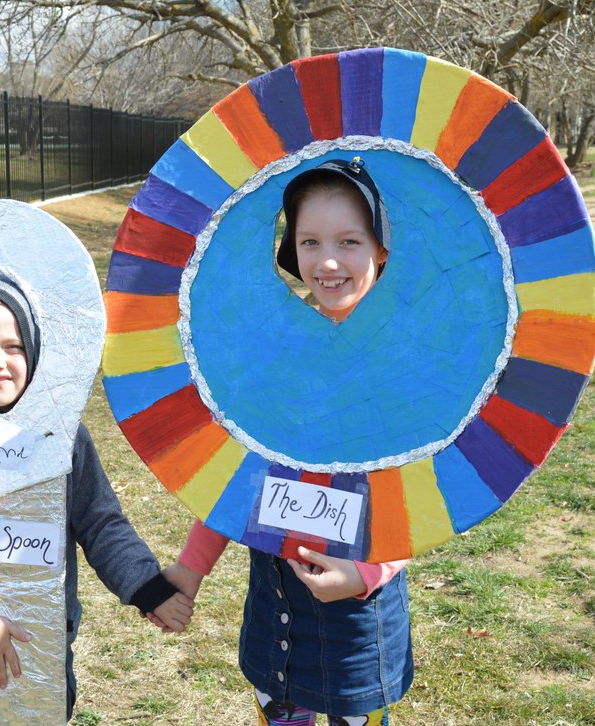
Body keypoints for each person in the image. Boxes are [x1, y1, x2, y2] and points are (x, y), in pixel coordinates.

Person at [161, 157, 414, 726]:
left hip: (358, 617)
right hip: (275, 610)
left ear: (381, 250)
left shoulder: (400, 361)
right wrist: (190, 569)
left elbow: (425, 491)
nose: (328, 261)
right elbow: (240, 476)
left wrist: (367, 574)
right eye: (310, 242)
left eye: (349, 241)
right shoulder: (274, 358)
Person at [0, 271, 194, 725]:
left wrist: (147, 587)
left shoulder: (62, 439)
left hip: (44, 651)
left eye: (13, 346)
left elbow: (101, 524)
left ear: (33, 349)